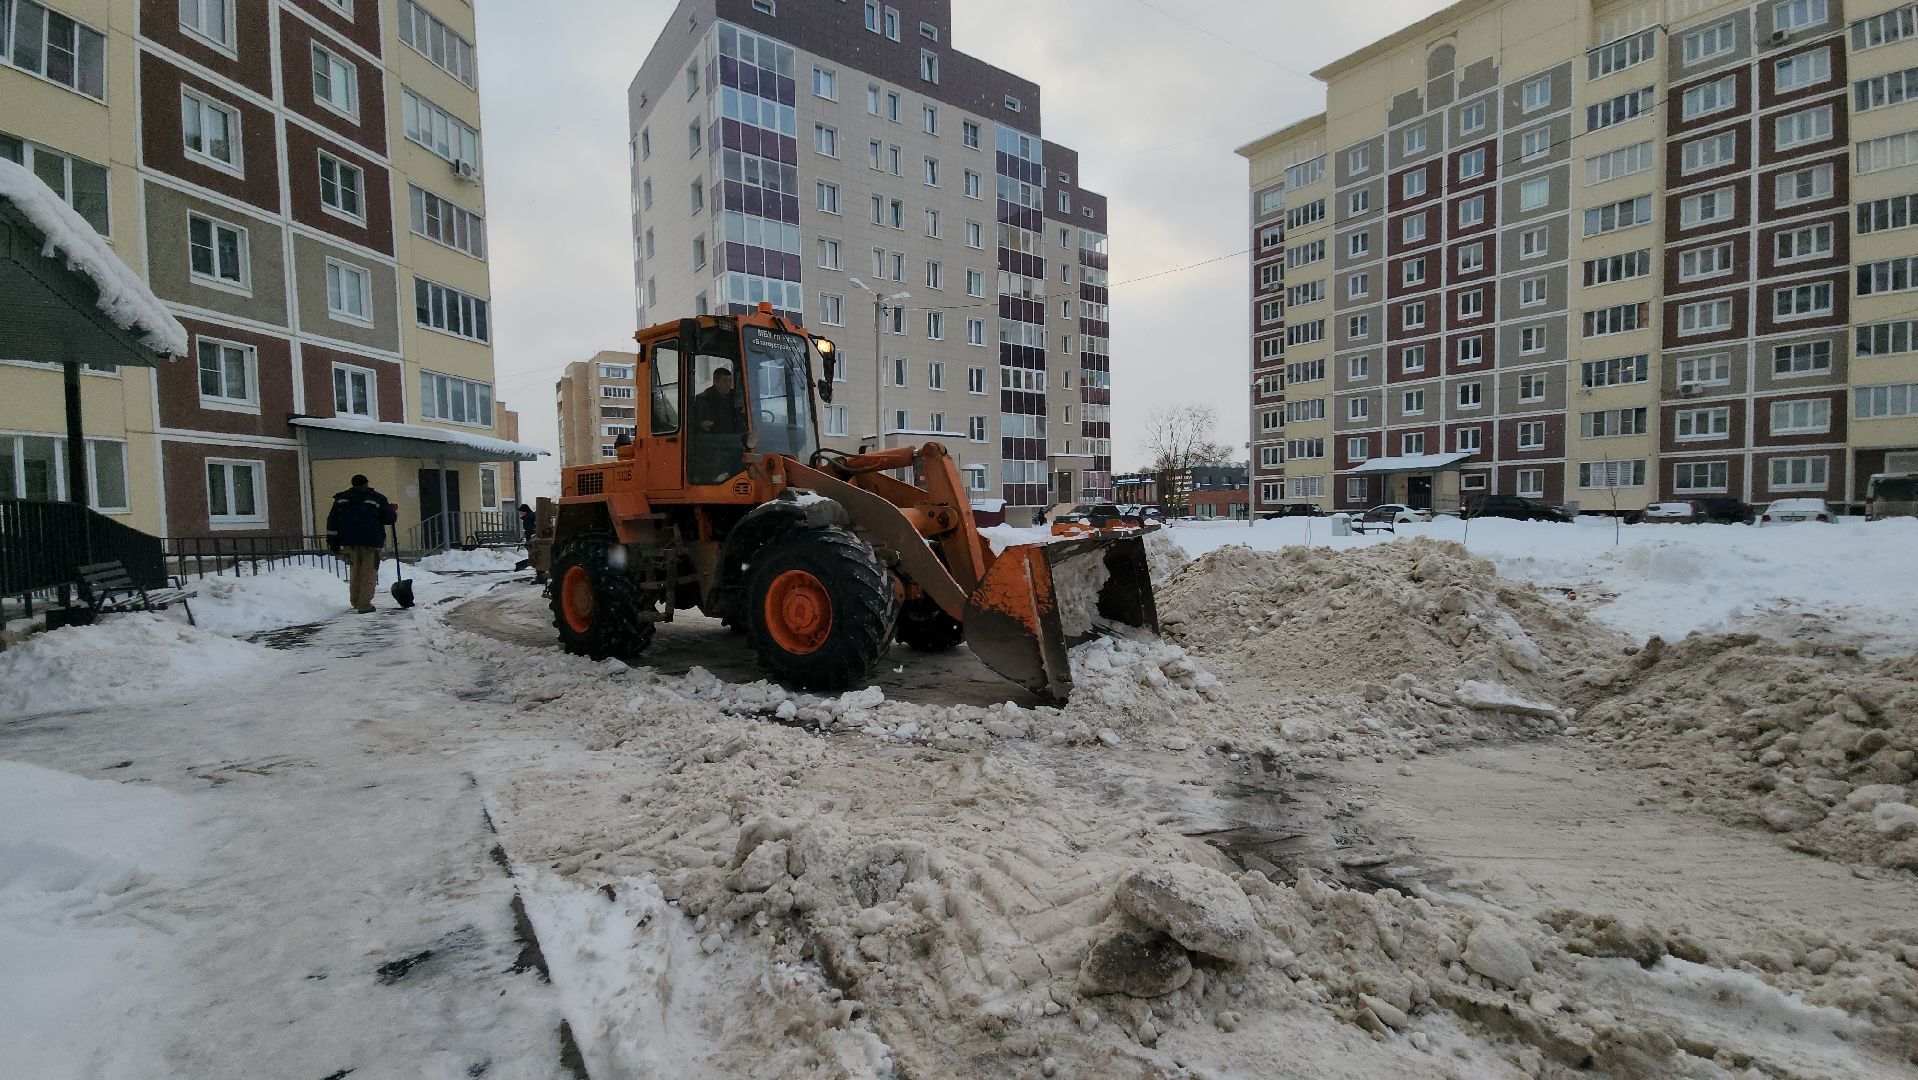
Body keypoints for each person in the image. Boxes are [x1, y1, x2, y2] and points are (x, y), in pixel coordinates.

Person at [326, 474, 398, 614]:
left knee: (355, 571)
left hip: (349, 541)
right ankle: (364, 604)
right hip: (371, 542)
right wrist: (393, 511)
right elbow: (388, 518)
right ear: (366, 483)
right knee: (369, 572)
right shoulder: (376, 498)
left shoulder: (341, 499)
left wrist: (332, 541)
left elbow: (332, 521)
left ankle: (355, 600)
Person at [690, 366, 747, 482]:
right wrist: (702, 424)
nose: (728, 385)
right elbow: (693, 422)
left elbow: (742, 418)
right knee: (721, 459)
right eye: (724, 381)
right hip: (712, 442)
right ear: (715, 381)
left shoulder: (737, 398)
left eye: (730, 381)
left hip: (734, 440)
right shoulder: (703, 399)